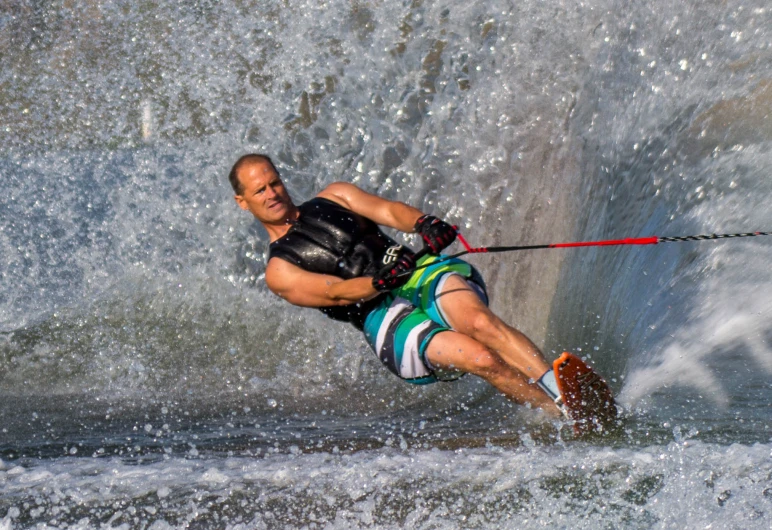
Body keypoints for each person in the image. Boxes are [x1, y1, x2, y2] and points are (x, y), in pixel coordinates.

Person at [228, 153, 575, 419]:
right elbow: (335, 291)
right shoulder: (279, 271)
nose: (272, 193)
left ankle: (563, 392)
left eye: (274, 183)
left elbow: (390, 212)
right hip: (383, 316)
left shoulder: (336, 195)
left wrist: (424, 223)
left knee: (480, 324)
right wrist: (377, 283)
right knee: (482, 359)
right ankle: (557, 416)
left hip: (414, 274)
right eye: (260, 190)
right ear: (242, 201)